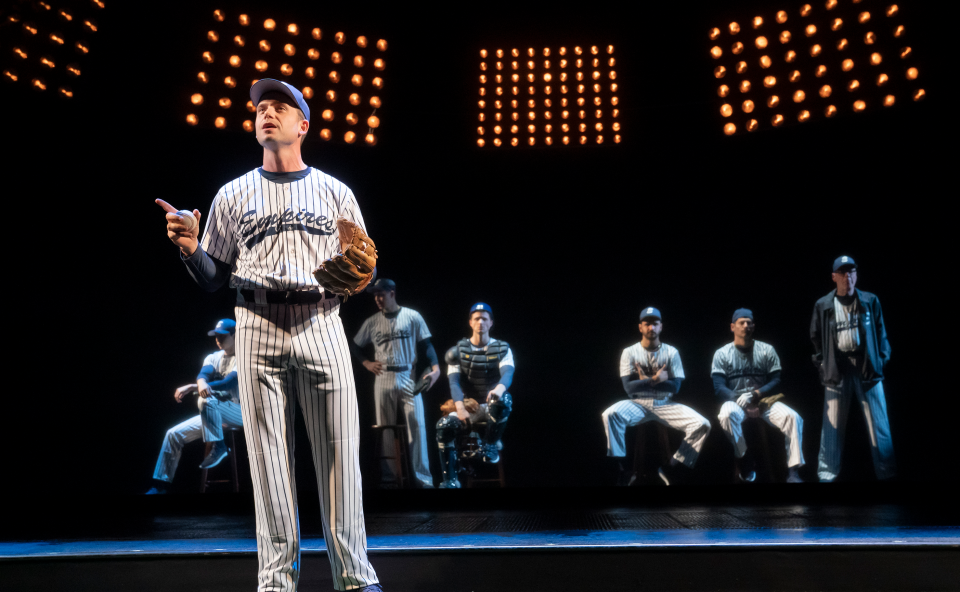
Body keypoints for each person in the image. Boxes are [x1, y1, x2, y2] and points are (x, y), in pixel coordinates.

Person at [157, 79, 382, 591]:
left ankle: (356, 577)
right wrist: (192, 248)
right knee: (267, 460)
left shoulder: (334, 191)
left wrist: (363, 275)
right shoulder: (232, 193)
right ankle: (277, 582)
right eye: (261, 107)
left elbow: (362, 265)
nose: (267, 113)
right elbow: (214, 278)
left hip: (322, 319)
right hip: (255, 321)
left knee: (340, 454)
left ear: (303, 125)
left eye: (280, 107)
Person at [601, 307, 711, 486]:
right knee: (610, 414)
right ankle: (623, 469)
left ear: (661, 327)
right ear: (640, 327)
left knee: (702, 424)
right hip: (638, 403)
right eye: (647, 324)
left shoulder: (671, 352)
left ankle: (671, 467)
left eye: (655, 324)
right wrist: (655, 379)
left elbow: (675, 387)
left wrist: (644, 380)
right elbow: (628, 388)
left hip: (665, 403)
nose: (651, 328)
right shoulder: (629, 352)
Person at [811, 256, 895, 482]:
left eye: (851, 272)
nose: (847, 277)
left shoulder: (870, 300)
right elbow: (816, 338)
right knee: (832, 429)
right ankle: (826, 478)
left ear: (856, 275)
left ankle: (887, 477)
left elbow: (881, 333)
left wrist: (880, 360)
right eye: (842, 273)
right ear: (834, 277)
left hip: (867, 368)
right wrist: (823, 364)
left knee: (880, 427)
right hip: (837, 370)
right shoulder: (823, 305)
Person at [351, 278, 440, 488]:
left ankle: (423, 480)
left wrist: (435, 367)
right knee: (386, 428)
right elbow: (355, 346)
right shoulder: (372, 321)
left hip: (409, 375)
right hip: (383, 376)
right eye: (375, 295)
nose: (377, 298)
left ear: (392, 293)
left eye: (381, 294)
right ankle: (390, 480)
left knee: (417, 425)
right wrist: (366, 363)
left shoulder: (412, 316)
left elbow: (426, 345)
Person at [146, 319, 243, 494]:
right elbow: (203, 375)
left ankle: (219, 445)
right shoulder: (213, 357)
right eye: (216, 336)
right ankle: (160, 487)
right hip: (215, 413)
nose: (218, 339)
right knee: (173, 434)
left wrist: (195, 387)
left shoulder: (245, 357)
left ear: (235, 335)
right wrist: (197, 383)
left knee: (205, 400)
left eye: (222, 335)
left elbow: (229, 382)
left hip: (241, 413)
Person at [712, 309, 805, 483]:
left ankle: (793, 472)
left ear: (753, 326)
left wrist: (756, 394)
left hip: (763, 401)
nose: (746, 325)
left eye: (749, 322)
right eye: (741, 322)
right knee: (726, 415)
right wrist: (743, 403)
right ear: (732, 327)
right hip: (736, 400)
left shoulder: (766, 349)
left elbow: (777, 380)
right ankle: (745, 459)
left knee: (794, 417)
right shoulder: (722, 353)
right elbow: (718, 387)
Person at [436, 303, 514, 489]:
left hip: (492, 405)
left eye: (484, 319)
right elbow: (453, 381)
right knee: (444, 425)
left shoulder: (502, 348)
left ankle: (491, 444)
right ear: (470, 322)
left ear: (491, 323)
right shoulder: (458, 351)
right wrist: (460, 407)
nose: (480, 322)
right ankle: (450, 481)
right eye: (477, 318)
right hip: (471, 406)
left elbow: (508, 374)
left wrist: (498, 389)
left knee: (501, 400)